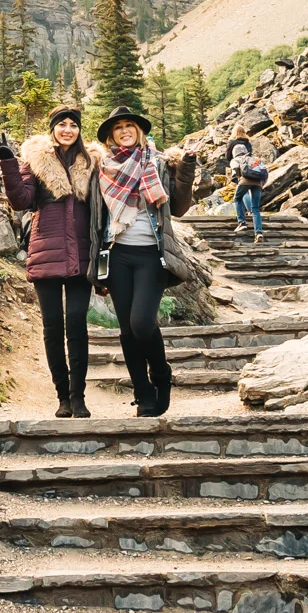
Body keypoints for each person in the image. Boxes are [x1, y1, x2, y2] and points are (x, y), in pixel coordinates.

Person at [90, 105, 195, 417]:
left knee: (141, 323)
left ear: (139, 131)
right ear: (111, 134)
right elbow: (94, 217)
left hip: (152, 254)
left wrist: (186, 169)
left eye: (130, 125)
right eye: (118, 126)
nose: (125, 130)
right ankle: (143, 393)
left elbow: (178, 207)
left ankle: (161, 375)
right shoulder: (102, 168)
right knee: (127, 330)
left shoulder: (157, 163)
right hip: (117, 253)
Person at [0, 109, 97, 417]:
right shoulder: (36, 161)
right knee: (53, 328)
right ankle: (63, 398)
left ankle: (79, 397)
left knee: (77, 325)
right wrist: (9, 165)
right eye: (62, 125)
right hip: (46, 251)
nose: (68, 129)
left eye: (73, 125)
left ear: (80, 130)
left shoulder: (91, 162)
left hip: (81, 253)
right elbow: (21, 201)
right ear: (52, 129)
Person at [227, 127, 266, 242]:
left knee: (237, 198)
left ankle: (242, 222)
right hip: (258, 182)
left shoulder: (235, 159)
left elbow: (235, 169)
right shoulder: (253, 158)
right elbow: (263, 170)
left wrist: (238, 176)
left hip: (244, 180)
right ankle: (258, 233)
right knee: (256, 208)